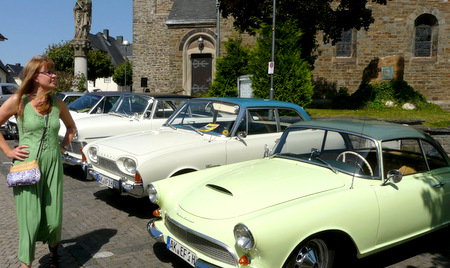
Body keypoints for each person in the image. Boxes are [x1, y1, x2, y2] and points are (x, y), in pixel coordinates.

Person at [0, 56, 76, 268]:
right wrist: (8, 151)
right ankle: (26, 264)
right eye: (48, 72)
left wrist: (61, 148)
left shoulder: (58, 103)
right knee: (30, 220)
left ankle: (53, 251)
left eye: (54, 71)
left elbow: (71, 127)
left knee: (54, 219)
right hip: (27, 166)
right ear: (35, 77)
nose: (54, 75)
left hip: (53, 165)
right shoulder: (19, 100)